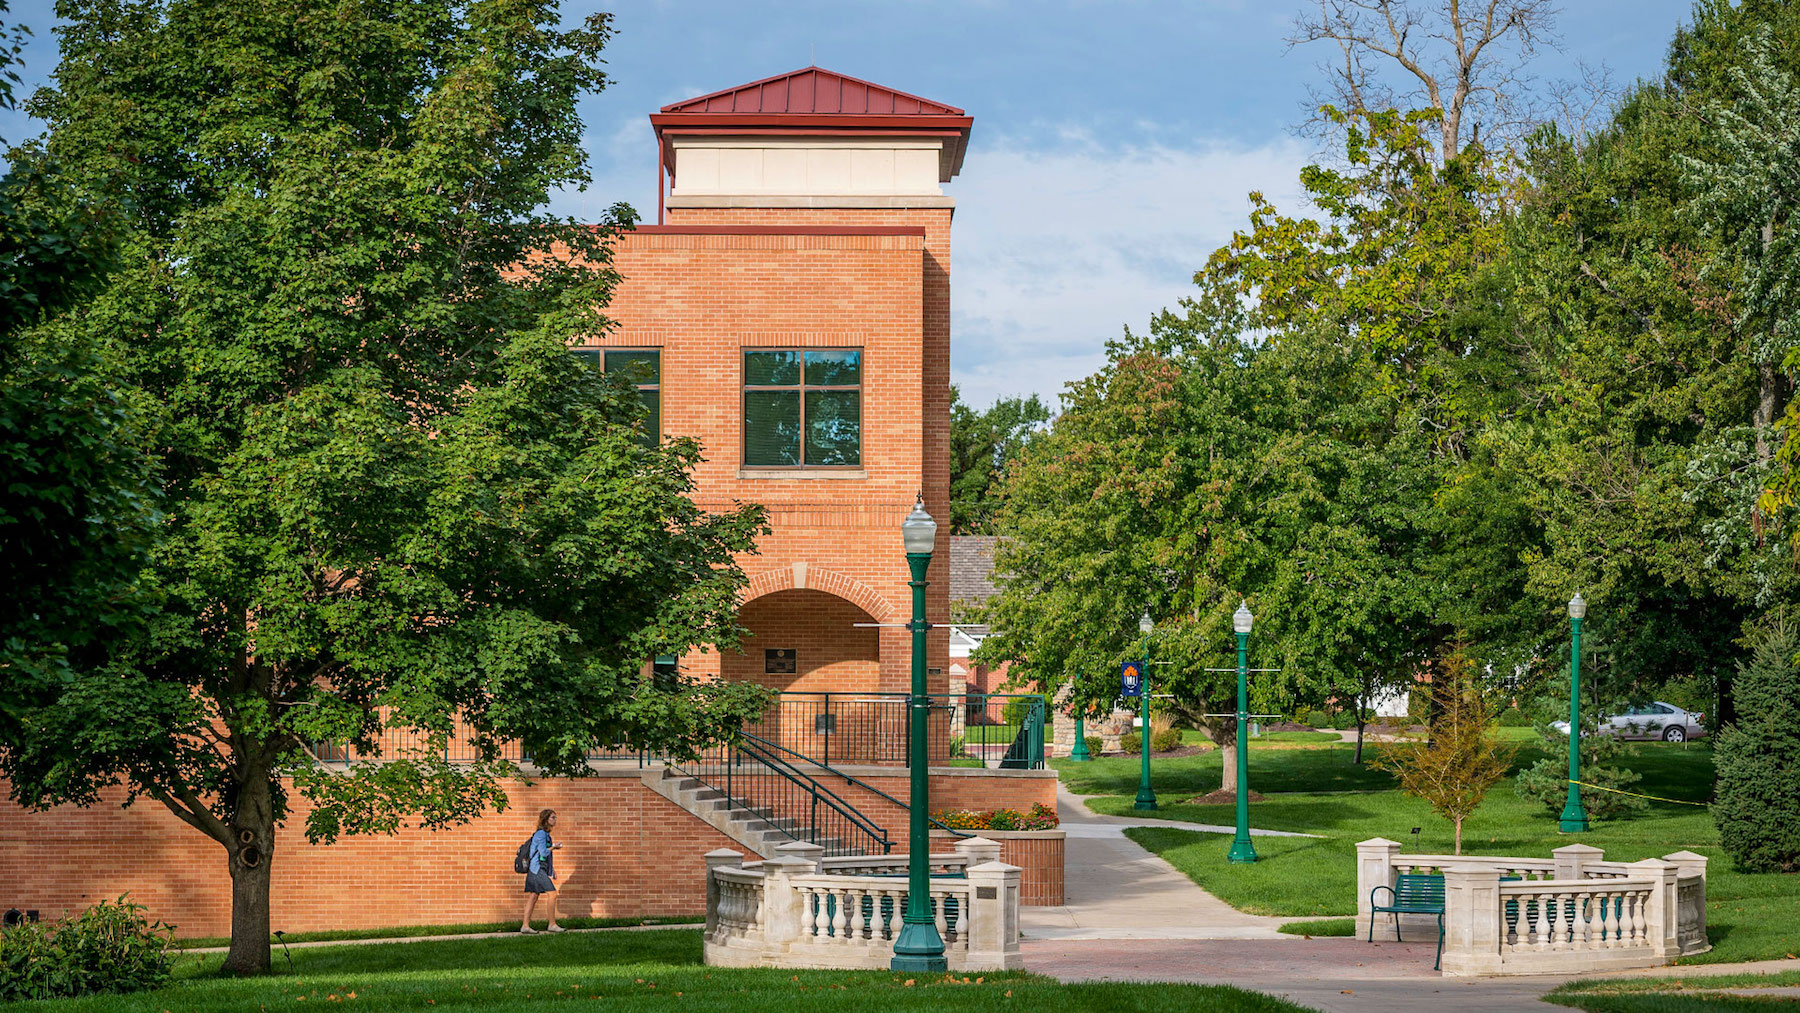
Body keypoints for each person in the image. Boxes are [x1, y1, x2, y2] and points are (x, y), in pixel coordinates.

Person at [519, 808, 565, 933]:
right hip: (536, 869)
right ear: (545, 819)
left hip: (539, 869)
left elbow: (543, 855)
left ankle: (525, 926)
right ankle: (552, 924)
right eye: (553, 817)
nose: (555, 820)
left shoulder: (545, 835)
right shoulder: (540, 834)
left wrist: (552, 870)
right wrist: (554, 847)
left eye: (555, 817)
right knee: (552, 894)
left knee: (533, 896)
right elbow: (544, 852)